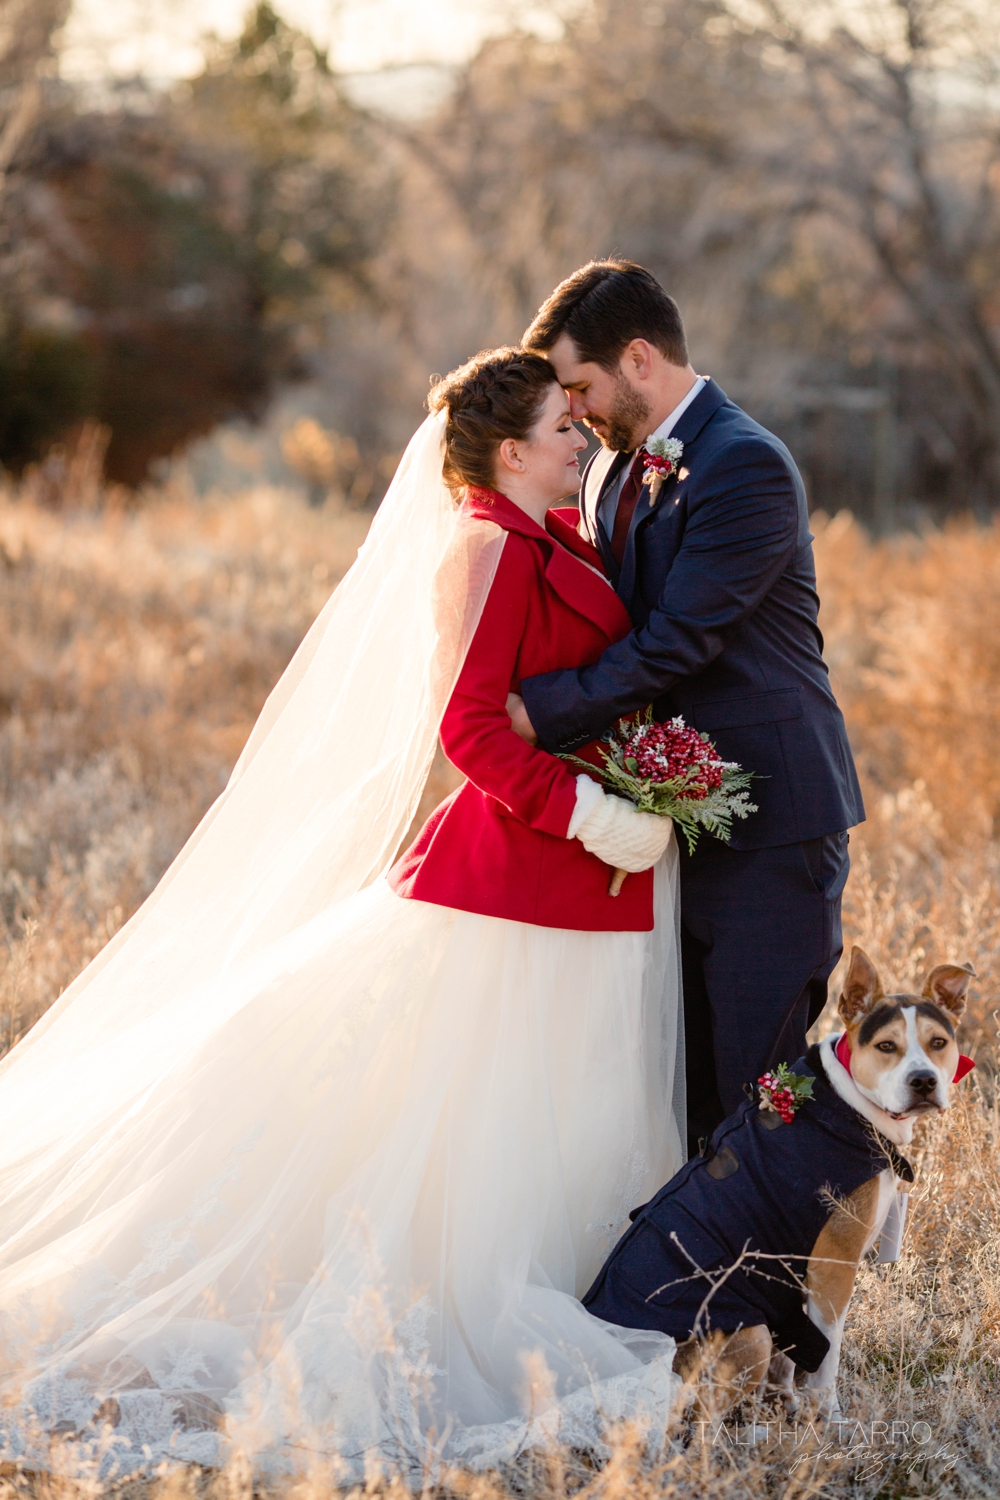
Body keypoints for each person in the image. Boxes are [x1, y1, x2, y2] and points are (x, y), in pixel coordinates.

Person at [0, 349, 684, 1478]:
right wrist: (591, 816)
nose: (582, 440)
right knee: (477, 1121)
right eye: (566, 428)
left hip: (578, 886)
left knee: (549, 1107)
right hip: (515, 882)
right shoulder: (490, 551)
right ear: (511, 452)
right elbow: (469, 732)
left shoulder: (555, 535)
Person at [509, 259, 865, 1152]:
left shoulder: (745, 465)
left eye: (581, 386)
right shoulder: (605, 473)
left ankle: (780, 1288)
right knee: (682, 1080)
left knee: (760, 1086)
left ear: (638, 358)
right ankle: (696, 1284)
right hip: (670, 815)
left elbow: (676, 641)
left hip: (771, 814)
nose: (578, 411)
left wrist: (536, 712)